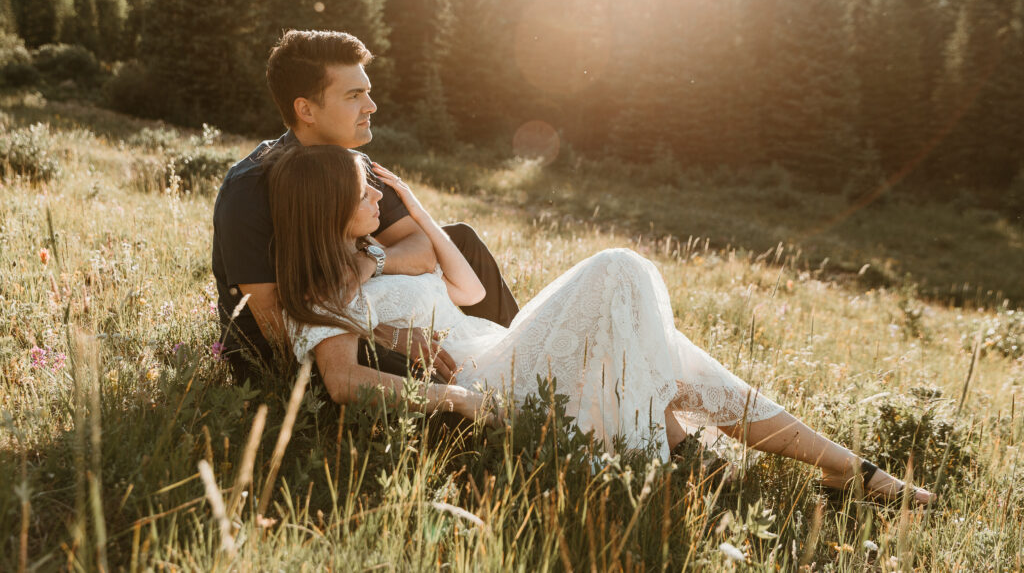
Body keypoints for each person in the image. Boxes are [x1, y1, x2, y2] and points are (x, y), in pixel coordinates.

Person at [270, 145, 936, 506]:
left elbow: (469, 287)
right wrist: (460, 397)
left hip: (499, 345)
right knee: (618, 267)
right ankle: (660, 468)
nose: (379, 197)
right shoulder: (320, 291)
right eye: (366, 191)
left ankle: (852, 470)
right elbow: (342, 381)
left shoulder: (376, 256)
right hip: (485, 377)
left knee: (671, 354)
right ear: (327, 202)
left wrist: (407, 210)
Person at [211, 30, 519, 384]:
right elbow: (273, 321)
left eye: (368, 93)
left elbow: (422, 250)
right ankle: (484, 396)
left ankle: (521, 355)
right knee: (426, 369)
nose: (370, 106)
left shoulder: (355, 164)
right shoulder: (250, 187)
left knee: (460, 241)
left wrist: (367, 263)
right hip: (294, 355)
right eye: (354, 95)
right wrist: (385, 335)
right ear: (306, 109)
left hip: (352, 305)